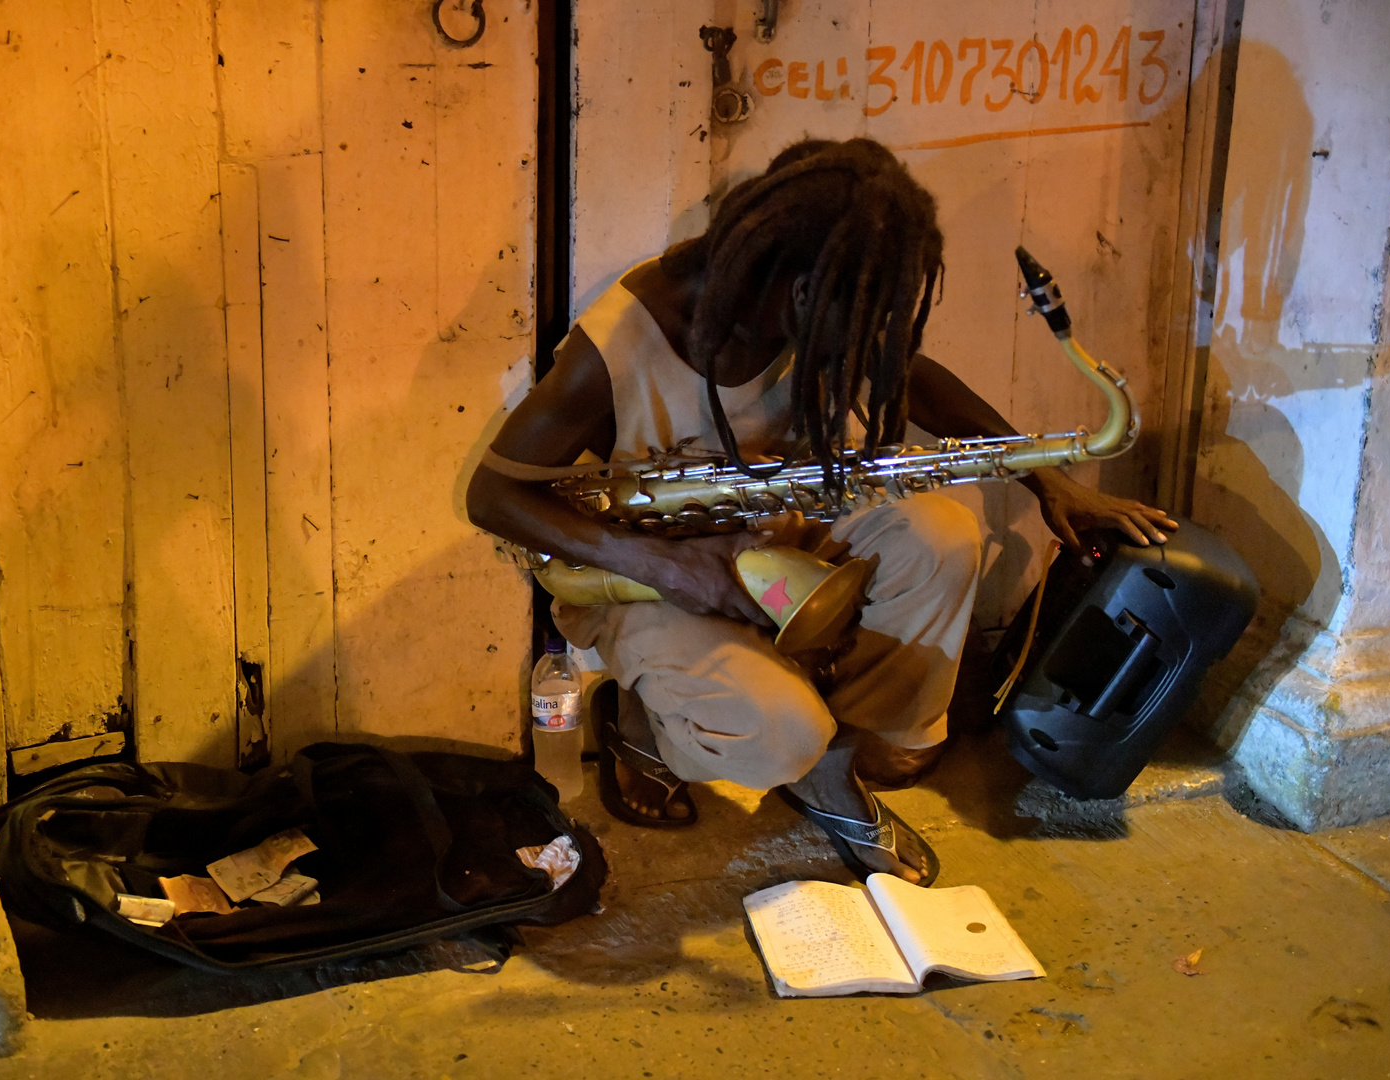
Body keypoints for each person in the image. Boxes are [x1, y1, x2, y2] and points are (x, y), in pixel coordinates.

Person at [466, 138, 1175, 884]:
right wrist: (666, 566)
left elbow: (916, 379)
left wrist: (1048, 480)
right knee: (777, 732)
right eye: (861, 312)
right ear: (802, 291)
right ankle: (647, 725)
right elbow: (493, 494)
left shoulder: (812, 294)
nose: (870, 336)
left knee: (941, 535)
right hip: (648, 564)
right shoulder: (623, 340)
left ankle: (832, 767)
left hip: (773, 529)